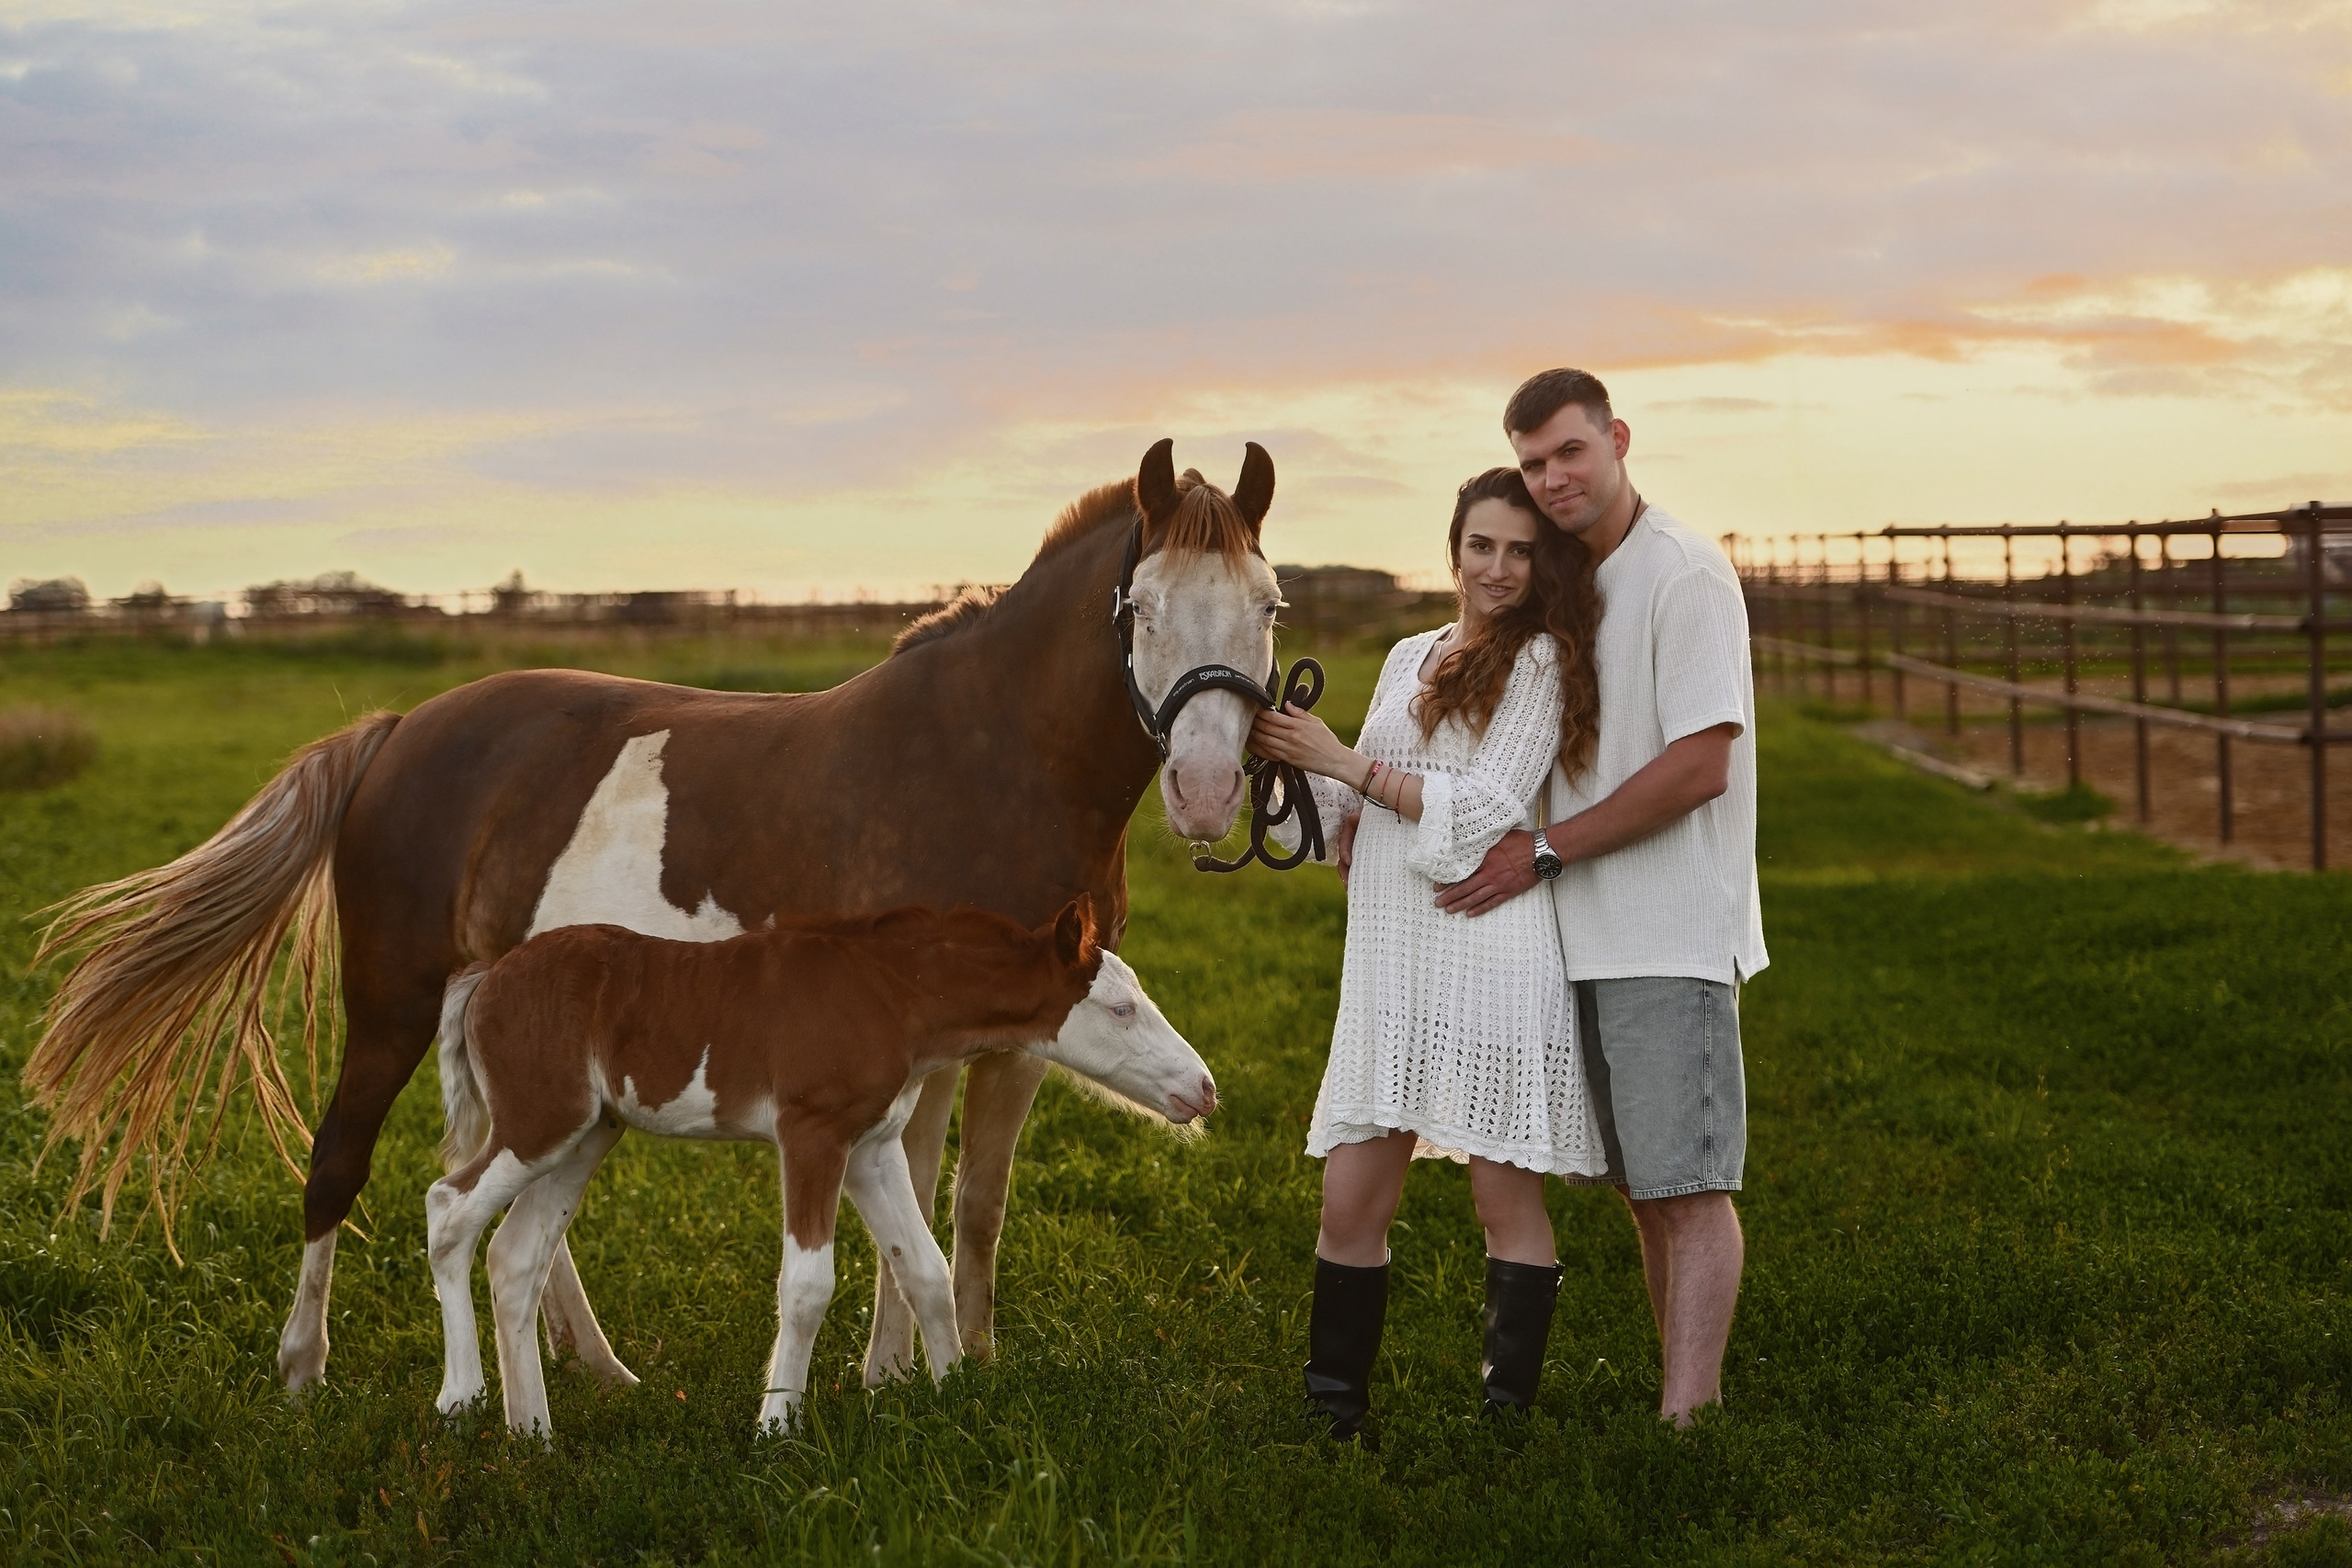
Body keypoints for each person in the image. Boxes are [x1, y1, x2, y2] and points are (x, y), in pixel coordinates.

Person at [1431, 367, 1767, 1427]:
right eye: (1532, 463)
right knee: (1642, 1190)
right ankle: (1681, 1398)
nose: (1552, 478)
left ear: (1617, 439)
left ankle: (1689, 1422)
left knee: (1688, 1189)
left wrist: (1542, 852)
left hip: (1666, 933)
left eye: (1569, 452)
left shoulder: (1682, 574)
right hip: (1578, 936)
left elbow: (1699, 766)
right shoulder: (1571, 580)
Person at [1250, 467, 1606, 1439]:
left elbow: (1486, 811)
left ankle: (1504, 1423)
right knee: (1348, 1199)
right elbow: (1345, 811)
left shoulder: (1541, 661)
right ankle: (1334, 1415)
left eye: (1520, 551)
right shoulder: (1410, 652)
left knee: (1501, 1198)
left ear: (1543, 564)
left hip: (1489, 949)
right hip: (1390, 961)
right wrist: (1281, 761)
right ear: (1454, 547)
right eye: (1481, 545)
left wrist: (1344, 762)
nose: (1497, 568)